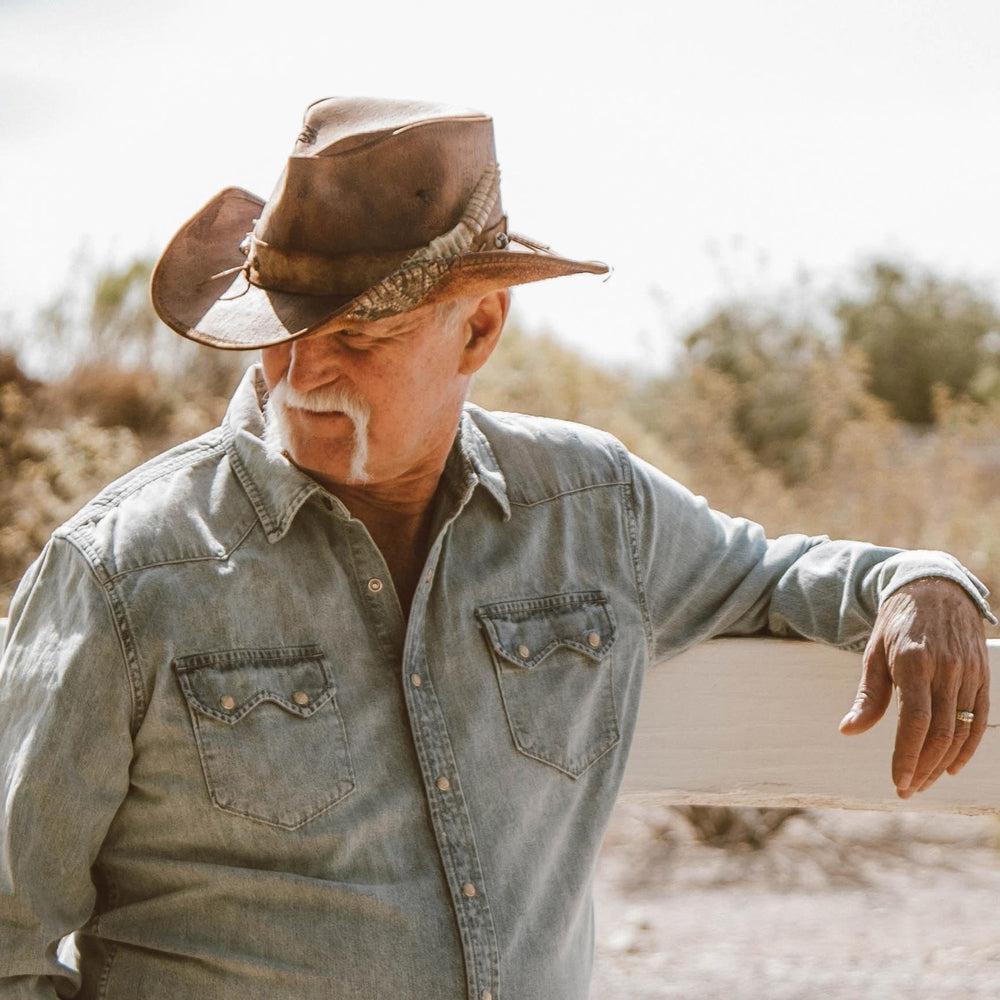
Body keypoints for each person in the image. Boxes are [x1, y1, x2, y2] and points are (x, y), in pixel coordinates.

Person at [0, 96, 994, 1000]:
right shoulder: (125, 574)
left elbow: (773, 574)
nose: (301, 373)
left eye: (357, 335)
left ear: (477, 329)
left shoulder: (592, 509)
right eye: (281, 328)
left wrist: (920, 580)